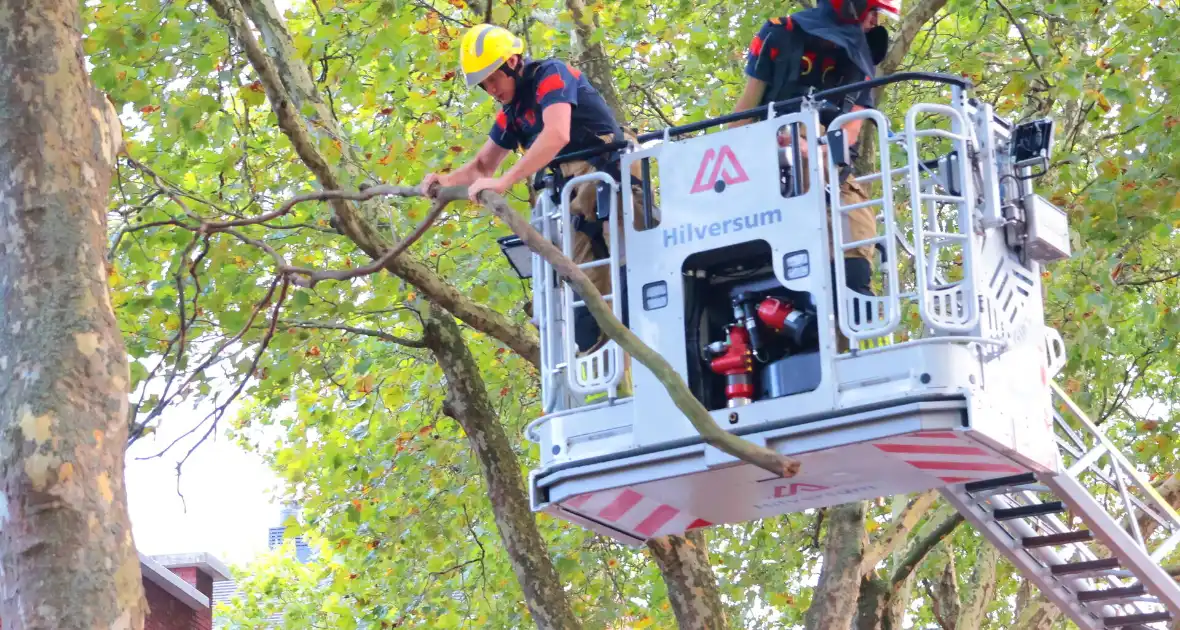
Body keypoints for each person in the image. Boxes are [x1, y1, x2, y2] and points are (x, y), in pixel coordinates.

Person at [420, 24, 645, 384]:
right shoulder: (511, 112)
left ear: (512, 62)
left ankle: (629, 356)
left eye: (493, 79)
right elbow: (482, 165)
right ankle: (606, 364)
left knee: (617, 261)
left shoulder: (550, 76)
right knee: (580, 278)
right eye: (483, 85)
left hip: (606, 170)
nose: (490, 90)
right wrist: (443, 181)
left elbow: (558, 133)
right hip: (571, 190)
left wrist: (506, 180)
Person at [730, 0, 899, 351]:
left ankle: (849, 338)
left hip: (830, 173)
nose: (874, 22)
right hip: (767, 168)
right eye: (871, 11)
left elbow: (848, 133)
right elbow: (744, 113)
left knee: (856, 243)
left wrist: (814, 147)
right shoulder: (781, 34)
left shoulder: (864, 56)